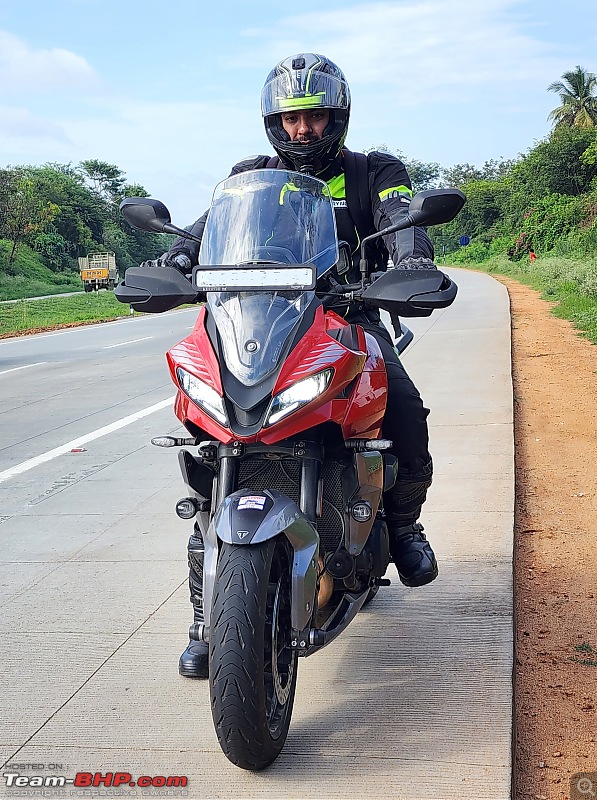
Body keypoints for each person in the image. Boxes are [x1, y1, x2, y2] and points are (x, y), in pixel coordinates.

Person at [154, 54, 441, 679]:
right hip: (259, 321)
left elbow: (402, 222)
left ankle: (403, 523)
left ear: (335, 118)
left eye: (312, 118)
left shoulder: (374, 173)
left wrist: (410, 264)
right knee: (212, 436)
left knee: (406, 411)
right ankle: (210, 615)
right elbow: (207, 232)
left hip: (348, 319)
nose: (300, 131)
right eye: (289, 120)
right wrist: (173, 262)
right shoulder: (251, 176)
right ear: (272, 124)